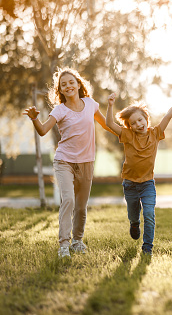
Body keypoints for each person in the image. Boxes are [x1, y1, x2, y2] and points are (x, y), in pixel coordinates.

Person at [23, 68, 112, 258]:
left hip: (87, 161)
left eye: (71, 82)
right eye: (63, 85)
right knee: (69, 200)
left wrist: (126, 134)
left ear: (79, 84)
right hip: (64, 161)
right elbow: (43, 130)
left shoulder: (90, 104)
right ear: (60, 91)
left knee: (81, 206)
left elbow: (106, 125)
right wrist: (34, 119)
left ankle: (77, 241)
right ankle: (64, 244)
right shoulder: (60, 109)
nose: (68, 86)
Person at [106, 88, 172, 255]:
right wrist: (110, 105)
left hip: (147, 184)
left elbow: (169, 115)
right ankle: (134, 223)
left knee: (149, 214)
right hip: (130, 184)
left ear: (146, 119)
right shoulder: (128, 135)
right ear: (129, 126)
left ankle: (147, 248)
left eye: (140, 120)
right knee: (134, 214)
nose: (138, 125)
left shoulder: (156, 133)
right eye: (133, 123)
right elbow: (109, 124)